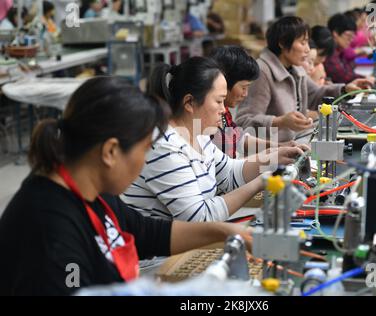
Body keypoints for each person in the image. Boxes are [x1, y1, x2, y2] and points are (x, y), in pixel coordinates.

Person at [0, 77, 252, 296]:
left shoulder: (95, 194)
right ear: (110, 151)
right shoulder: (48, 225)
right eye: (144, 150)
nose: (144, 161)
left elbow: (148, 233)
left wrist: (222, 231)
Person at [122, 57, 302, 222]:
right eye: (219, 101)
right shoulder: (165, 147)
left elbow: (230, 173)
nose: (224, 110)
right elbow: (200, 218)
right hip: (161, 256)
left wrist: (274, 157)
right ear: (189, 103)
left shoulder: (199, 136)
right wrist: (260, 183)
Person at [235, 16, 372, 143]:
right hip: (269, 155)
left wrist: (345, 89)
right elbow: (244, 121)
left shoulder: (295, 69)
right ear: (283, 43)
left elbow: (316, 95)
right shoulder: (263, 72)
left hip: (296, 143)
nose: (307, 50)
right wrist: (280, 121)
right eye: (302, 43)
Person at [209, 46, 308, 159]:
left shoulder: (225, 112)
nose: (245, 94)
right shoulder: (207, 119)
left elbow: (239, 139)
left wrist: (280, 147)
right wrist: (273, 154)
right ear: (224, 82)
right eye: (243, 87)